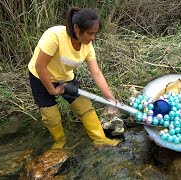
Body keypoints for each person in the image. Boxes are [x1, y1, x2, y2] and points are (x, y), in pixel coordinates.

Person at [28, 7, 121, 149]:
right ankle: (60, 142)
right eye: (90, 33)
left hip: (65, 78)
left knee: (84, 106)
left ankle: (100, 140)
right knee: (51, 115)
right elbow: (40, 66)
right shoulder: (55, 36)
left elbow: (96, 73)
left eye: (95, 34)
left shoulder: (87, 46)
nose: (92, 38)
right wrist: (51, 90)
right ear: (77, 28)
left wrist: (110, 98)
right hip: (40, 77)